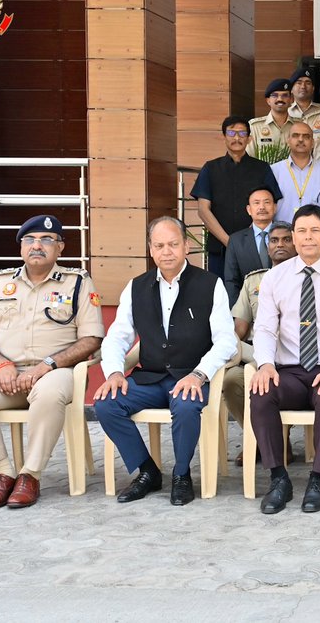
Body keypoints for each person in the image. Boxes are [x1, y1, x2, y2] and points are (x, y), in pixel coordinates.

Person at [0, 215, 104, 510]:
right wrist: (1, 365)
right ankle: (4, 472)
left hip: (55, 372)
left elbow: (92, 339)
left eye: (47, 240)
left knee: (49, 392)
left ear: (60, 248)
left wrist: (47, 364)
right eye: (30, 240)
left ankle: (30, 475)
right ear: (21, 247)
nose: (38, 246)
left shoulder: (78, 283)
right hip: (7, 375)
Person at [95, 217, 238, 506]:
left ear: (187, 246)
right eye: (159, 245)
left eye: (173, 244)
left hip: (190, 376)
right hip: (150, 377)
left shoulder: (210, 284)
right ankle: (148, 471)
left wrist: (199, 374)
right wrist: (113, 373)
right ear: (150, 249)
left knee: (185, 405)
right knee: (106, 404)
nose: (167, 251)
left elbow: (226, 340)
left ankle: (182, 475)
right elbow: (117, 337)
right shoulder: (135, 287)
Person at [246, 204, 320, 514]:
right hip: (288, 371)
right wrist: (265, 364)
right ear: (293, 237)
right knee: (260, 392)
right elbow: (263, 329)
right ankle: (278, 479)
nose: (307, 237)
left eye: (315, 230)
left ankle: (318, 480)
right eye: (301, 231)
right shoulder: (275, 278)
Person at [222, 221, 295, 463]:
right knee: (232, 379)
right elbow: (239, 329)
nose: (280, 245)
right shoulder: (254, 281)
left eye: (286, 239)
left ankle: (277, 440)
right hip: (257, 355)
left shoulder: (308, 280)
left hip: (293, 355)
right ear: (267, 246)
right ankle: (258, 438)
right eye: (274, 241)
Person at [191, 115, 283, 278]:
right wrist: (230, 242)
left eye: (241, 134)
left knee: (257, 291)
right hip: (219, 249)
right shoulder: (210, 168)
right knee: (222, 296)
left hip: (256, 246)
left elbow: (271, 205)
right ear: (224, 136)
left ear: (249, 139)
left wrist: (245, 241)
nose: (237, 138)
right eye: (232, 133)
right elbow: (203, 210)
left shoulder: (261, 168)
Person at [271, 121, 320, 233]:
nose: (300, 139)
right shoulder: (274, 171)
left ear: (312, 142)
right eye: (295, 136)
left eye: (306, 136)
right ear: (288, 141)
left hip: (317, 238)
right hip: (283, 238)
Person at [223, 186, 277, 306]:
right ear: (249, 209)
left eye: (267, 202)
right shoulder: (235, 241)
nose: (262, 207)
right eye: (256, 203)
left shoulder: (288, 236)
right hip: (249, 309)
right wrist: (238, 314)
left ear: (275, 207)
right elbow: (231, 281)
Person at [247, 79, 301, 159]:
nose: (280, 99)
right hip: (265, 171)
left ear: (291, 100)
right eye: (275, 95)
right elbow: (249, 157)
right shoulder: (255, 126)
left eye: (285, 95)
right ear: (268, 100)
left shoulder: (300, 125)